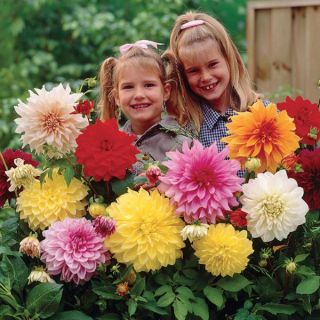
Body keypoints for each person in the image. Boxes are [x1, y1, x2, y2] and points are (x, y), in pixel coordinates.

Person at [165, 11, 260, 152]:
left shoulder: (261, 113)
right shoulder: (184, 131)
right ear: (183, 76)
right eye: (193, 71)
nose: (206, 77)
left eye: (212, 65)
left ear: (229, 60)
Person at [98, 40, 191, 168]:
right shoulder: (108, 146)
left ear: (165, 91)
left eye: (149, 85)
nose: (139, 95)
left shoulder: (183, 144)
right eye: (128, 87)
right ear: (117, 97)